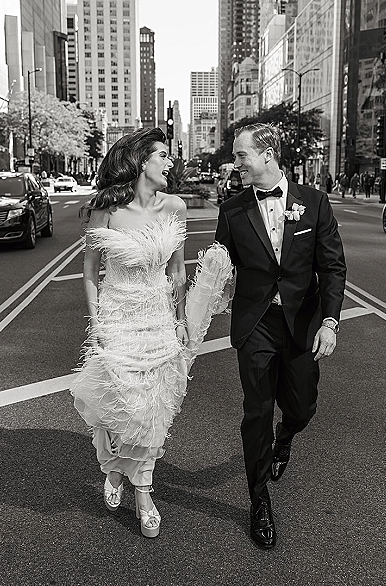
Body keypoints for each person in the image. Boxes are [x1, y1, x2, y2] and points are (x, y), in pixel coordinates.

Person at [70, 127, 231, 539]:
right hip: (118, 318)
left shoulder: (175, 206)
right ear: (142, 160)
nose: (170, 162)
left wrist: (179, 320)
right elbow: (90, 272)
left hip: (158, 321)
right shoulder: (107, 210)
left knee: (153, 411)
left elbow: (177, 271)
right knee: (118, 407)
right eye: (163, 155)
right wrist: (98, 324)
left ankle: (142, 490)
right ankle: (114, 470)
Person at [215, 124, 346, 549]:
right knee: (256, 413)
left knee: (302, 407)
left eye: (241, 156)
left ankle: (286, 437)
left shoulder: (315, 202)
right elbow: (220, 268)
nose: (236, 164)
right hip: (255, 325)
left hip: (302, 324)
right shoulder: (233, 210)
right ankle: (259, 501)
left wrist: (329, 321)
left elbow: (332, 268)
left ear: (267, 154)